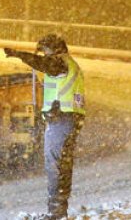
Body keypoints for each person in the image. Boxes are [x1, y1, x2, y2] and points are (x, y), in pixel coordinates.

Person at [5, 34, 86, 220]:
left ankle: (56, 212)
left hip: (62, 119)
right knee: (61, 164)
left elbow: (45, 65)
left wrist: (21, 55)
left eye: (46, 50)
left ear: (56, 49)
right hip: (67, 118)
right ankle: (58, 211)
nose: (44, 54)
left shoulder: (60, 63)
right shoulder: (68, 64)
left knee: (55, 165)